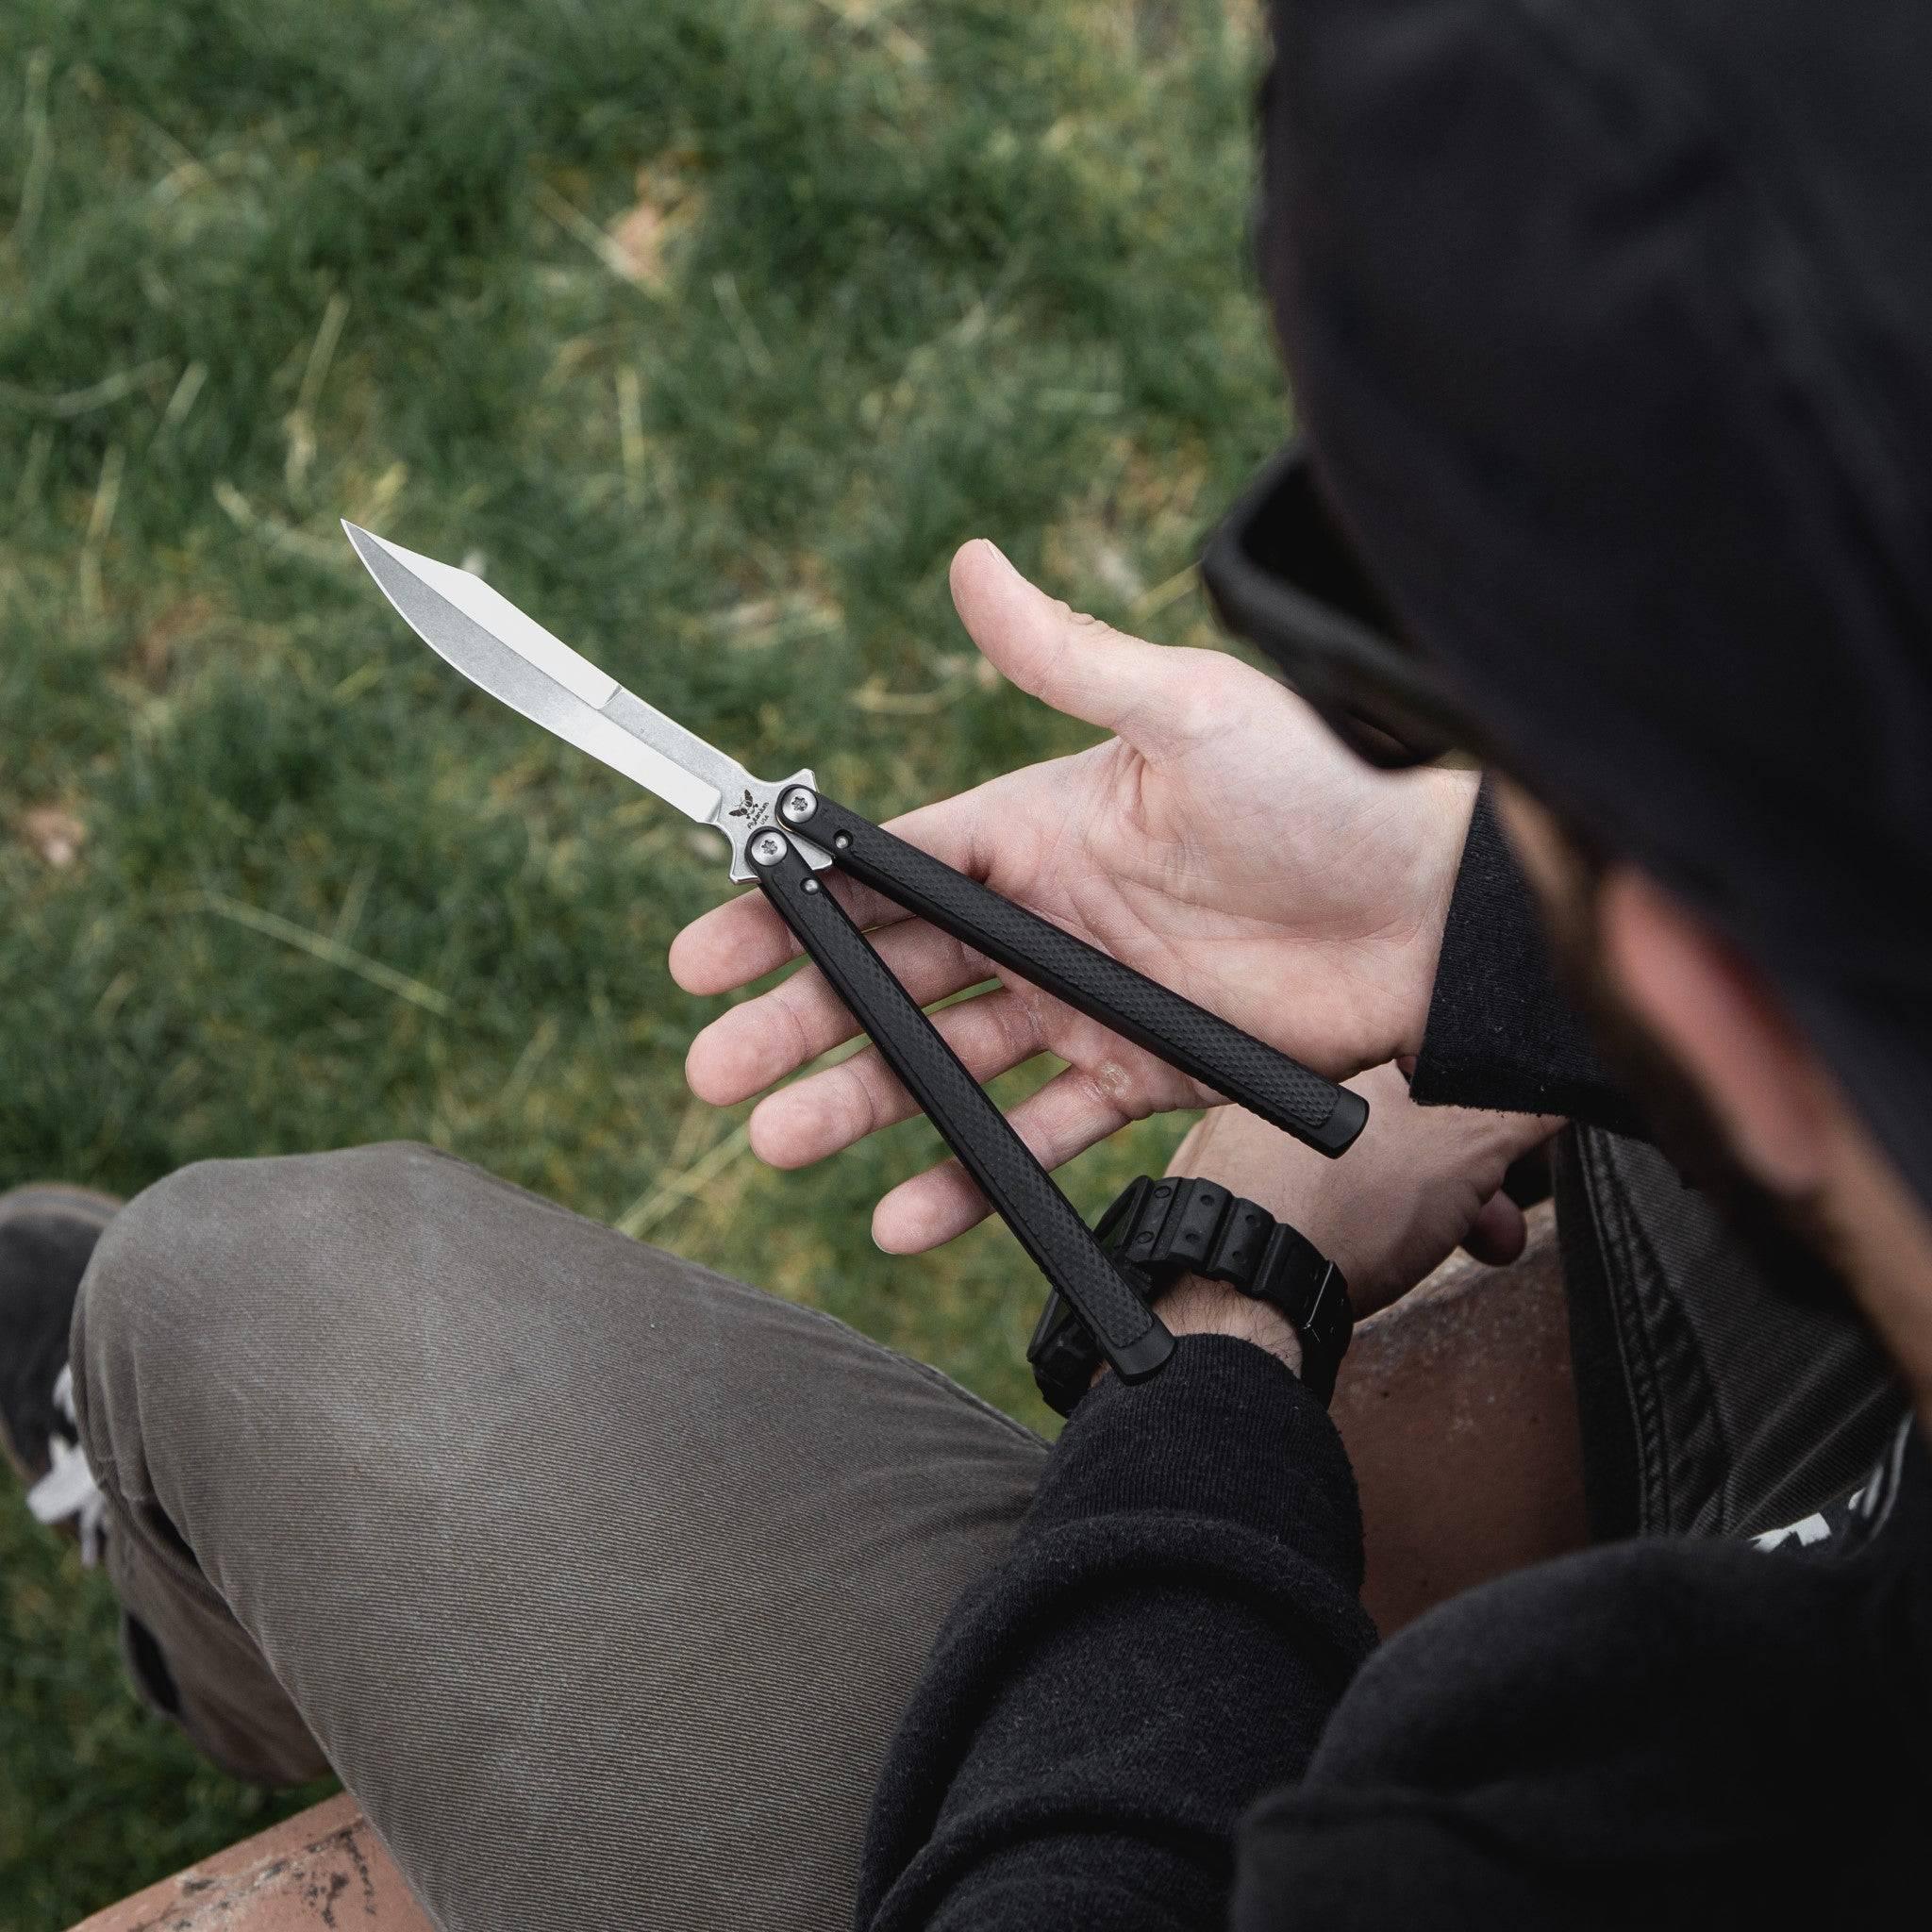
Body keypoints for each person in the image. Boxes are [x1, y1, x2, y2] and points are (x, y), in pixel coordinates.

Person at [5, 0, 1928, 1924]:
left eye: (1481, 714)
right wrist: (1466, 926)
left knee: (218, 1304)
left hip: (1107, 1805)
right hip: (1795, 1382)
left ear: (1718, 1007)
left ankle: (189, 1571)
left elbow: (1070, 1879)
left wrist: (1232, 1301)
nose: (1470, 773)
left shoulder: (1586, 1816)